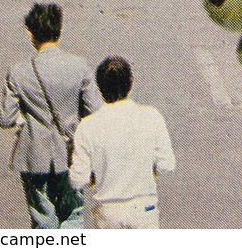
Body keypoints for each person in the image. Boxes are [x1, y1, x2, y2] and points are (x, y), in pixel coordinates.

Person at [0, 3, 103, 229]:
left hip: (34, 155)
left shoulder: (18, 71)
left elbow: (6, 118)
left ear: (30, 32)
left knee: (42, 219)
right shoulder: (79, 66)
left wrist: (25, 120)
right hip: (72, 153)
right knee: (73, 214)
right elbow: (96, 112)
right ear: (60, 31)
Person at [70, 57, 175, 229]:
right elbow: (166, 165)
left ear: (100, 88)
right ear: (130, 83)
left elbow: (78, 180)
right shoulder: (151, 116)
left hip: (108, 213)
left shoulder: (87, 126)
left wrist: (100, 174)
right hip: (144, 210)